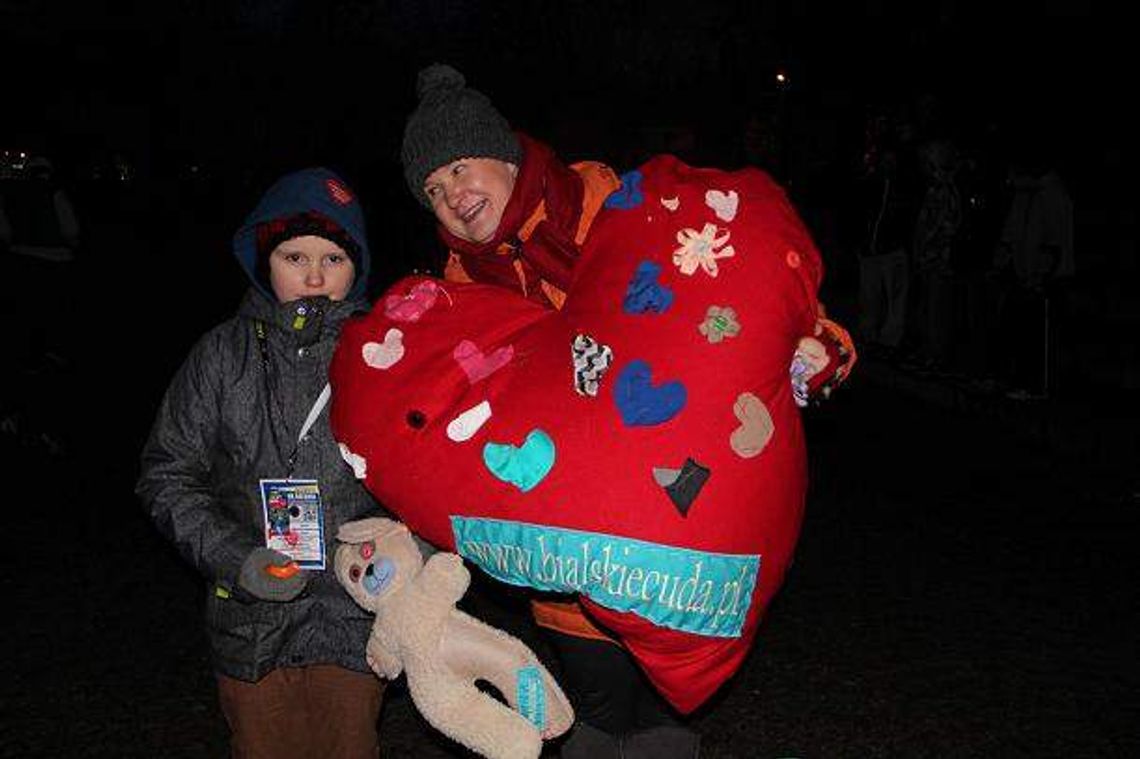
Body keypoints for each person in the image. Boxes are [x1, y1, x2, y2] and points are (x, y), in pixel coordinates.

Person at [400, 63, 698, 758]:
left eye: (459, 168)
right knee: (598, 706)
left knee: (663, 705)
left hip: (664, 516)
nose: (452, 196)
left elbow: (722, 287)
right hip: (563, 544)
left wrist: (814, 341)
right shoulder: (460, 289)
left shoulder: (609, 206)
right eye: (433, 190)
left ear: (504, 155)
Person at [136, 168, 385, 758]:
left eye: (333, 259)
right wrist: (235, 558)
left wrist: (408, 554)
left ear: (356, 269)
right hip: (250, 621)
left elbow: (422, 478)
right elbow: (166, 473)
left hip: (352, 617)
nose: (315, 276)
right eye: (295, 257)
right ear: (264, 260)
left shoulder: (382, 353)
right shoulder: (220, 355)